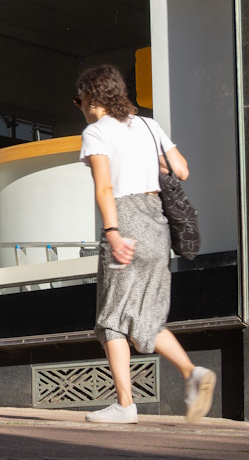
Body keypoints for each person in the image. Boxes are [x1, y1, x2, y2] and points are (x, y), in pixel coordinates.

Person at [74, 64, 216, 424]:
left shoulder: (96, 132)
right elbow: (181, 169)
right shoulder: (150, 126)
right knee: (146, 317)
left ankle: (125, 405)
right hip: (158, 225)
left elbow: (104, 187)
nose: (80, 107)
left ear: (92, 97)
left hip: (127, 221)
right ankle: (192, 373)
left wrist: (112, 232)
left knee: (112, 321)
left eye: (80, 100)